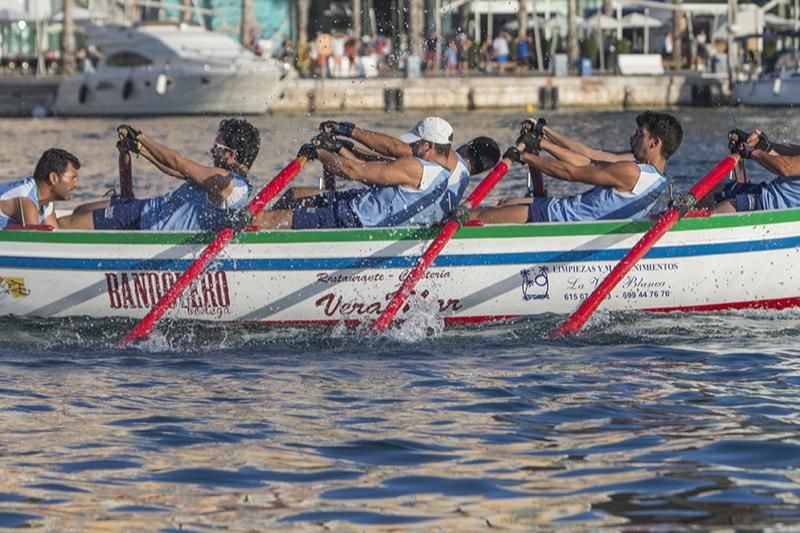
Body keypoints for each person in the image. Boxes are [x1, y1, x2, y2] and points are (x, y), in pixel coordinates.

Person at [253, 117, 499, 230]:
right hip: (366, 207)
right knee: (296, 194)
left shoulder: (420, 167)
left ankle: (250, 228)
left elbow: (355, 170)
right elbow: (382, 161)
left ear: (429, 146)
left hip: (355, 219)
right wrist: (343, 143)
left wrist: (320, 152)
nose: (410, 147)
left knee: (268, 220)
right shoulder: (452, 173)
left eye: (416, 143)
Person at [475, 111, 683, 223]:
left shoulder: (631, 171)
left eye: (640, 135)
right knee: (505, 202)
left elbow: (570, 173)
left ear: (655, 143)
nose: (633, 137)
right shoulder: (657, 180)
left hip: (554, 218)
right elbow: (587, 161)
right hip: (565, 213)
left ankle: (445, 229)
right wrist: (542, 141)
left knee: (480, 217)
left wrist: (524, 157)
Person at [58, 118, 260, 231]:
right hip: (146, 211)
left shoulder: (224, 183)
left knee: (67, 224)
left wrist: (141, 137)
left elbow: (177, 162)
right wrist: (140, 149)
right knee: (79, 210)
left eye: (217, 146)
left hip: (144, 220)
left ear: (232, 155)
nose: (212, 151)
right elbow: (173, 170)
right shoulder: (235, 186)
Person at [713, 129, 800, 213]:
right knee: (715, 190)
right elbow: (793, 153)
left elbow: (785, 167)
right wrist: (765, 146)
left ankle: (702, 224)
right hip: (765, 193)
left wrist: (753, 152)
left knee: (732, 204)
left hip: (771, 207)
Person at [0, 148, 80, 229]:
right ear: (53, 178)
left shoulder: (46, 202)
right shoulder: (25, 197)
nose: (77, 184)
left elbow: (54, 237)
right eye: (73, 178)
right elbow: (34, 239)